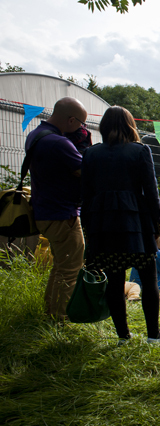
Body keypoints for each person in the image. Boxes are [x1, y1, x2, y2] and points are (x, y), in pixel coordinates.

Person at [81, 105, 160, 344]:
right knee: (147, 276)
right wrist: (158, 227)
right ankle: (153, 334)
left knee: (114, 280)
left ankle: (123, 336)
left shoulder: (90, 154)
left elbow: (86, 194)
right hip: (136, 222)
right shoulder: (140, 150)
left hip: (103, 223)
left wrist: (88, 227)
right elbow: (151, 193)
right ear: (130, 125)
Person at [26, 97, 87, 320]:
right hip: (63, 214)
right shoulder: (59, 143)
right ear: (71, 120)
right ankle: (60, 320)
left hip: (45, 210)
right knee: (71, 269)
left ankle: (50, 313)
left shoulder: (36, 135)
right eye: (81, 124)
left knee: (61, 267)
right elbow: (86, 172)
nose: (82, 129)